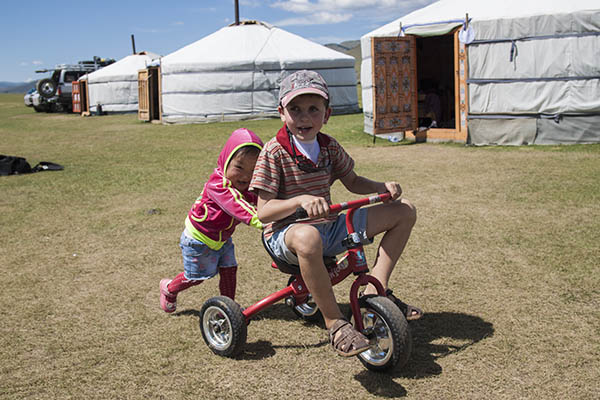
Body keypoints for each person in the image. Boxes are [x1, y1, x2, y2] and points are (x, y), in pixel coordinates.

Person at [250, 70, 421, 357]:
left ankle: (375, 290)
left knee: (404, 211)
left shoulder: (329, 147)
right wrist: (299, 201)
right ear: (282, 113)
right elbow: (265, 213)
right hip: (285, 234)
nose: (304, 117)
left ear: (326, 114)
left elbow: (353, 182)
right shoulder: (274, 152)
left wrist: (384, 187)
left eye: (313, 109)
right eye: (295, 109)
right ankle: (336, 324)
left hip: (328, 225)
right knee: (307, 237)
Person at [159, 128, 263, 313]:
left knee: (229, 270)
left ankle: (228, 308)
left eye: (253, 170)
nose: (246, 176)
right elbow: (236, 204)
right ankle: (169, 289)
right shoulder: (218, 185)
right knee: (196, 277)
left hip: (222, 239)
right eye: (239, 167)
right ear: (225, 160)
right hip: (198, 239)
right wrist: (262, 219)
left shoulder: (246, 186)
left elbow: (261, 197)